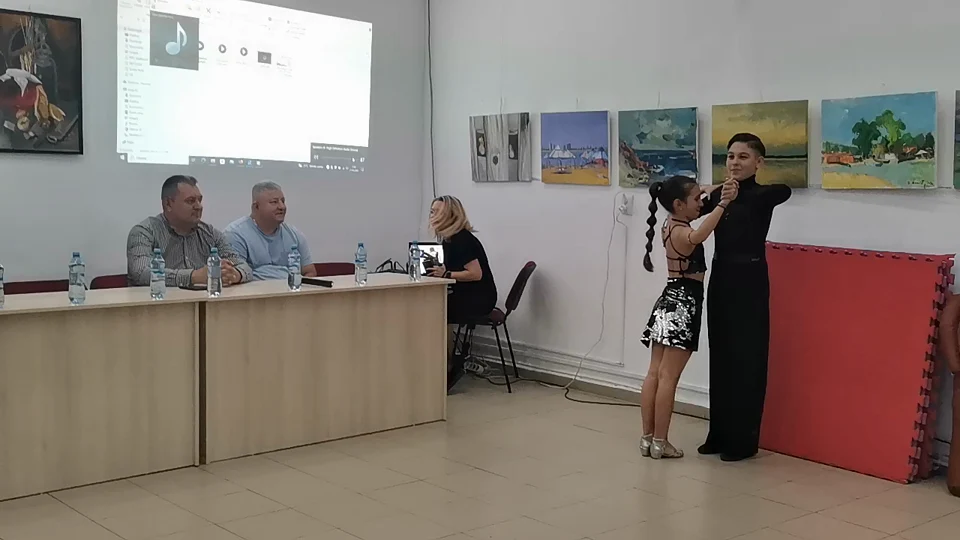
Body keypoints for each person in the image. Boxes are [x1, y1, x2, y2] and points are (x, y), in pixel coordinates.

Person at [698, 133, 792, 462]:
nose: (735, 162)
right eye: (730, 156)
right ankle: (719, 434)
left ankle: (743, 440)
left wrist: (729, 191)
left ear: (758, 162)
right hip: (721, 276)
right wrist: (715, 191)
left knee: (747, 358)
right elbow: (684, 203)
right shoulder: (718, 196)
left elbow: (784, 190)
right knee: (721, 354)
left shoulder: (763, 195)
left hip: (750, 279)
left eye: (743, 157)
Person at [639, 176, 737, 459]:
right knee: (668, 377)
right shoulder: (684, 233)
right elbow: (701, 234)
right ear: (678, 204)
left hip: (667, 300)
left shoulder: (669, 223)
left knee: (654, 373)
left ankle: (647, 439)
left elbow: (698, 205)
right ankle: (660, 441)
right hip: (684, 303)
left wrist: (710, 189)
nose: (701, 203)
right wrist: (723, 204)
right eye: (695, 200)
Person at [127, 175, 251, 287]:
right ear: (168, 204)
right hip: (159, 302)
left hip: (202, 302)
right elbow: (140, 273)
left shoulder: (210, 233)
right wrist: (194, 277)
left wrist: (235, 274)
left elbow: (243, 266)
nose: (199, 206)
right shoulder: (144, 232)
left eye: (199, 200)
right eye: (190, 201)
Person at [426, 195, 497, 390]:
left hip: (479, 298)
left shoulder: (463, 240)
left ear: (451, 215)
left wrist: (446, 274)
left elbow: (475, 274)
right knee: (433, 308)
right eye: (432, 211)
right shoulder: (447, 240)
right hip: (464, 294)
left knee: (437, 311)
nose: (432, 216)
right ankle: (442, 362)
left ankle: (446, 365)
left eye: (438, 212)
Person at [225, 181, 318, 280]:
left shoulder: (294, 234)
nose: (282, 207)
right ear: (256, 207)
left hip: (290, 289)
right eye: (274, 202)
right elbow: (232, 276)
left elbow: (310, 272)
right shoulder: (235, 235)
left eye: (283, 201)